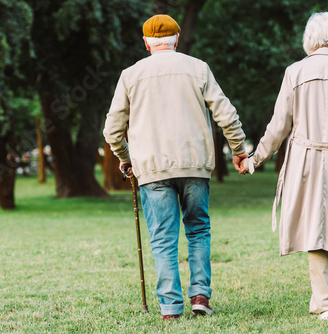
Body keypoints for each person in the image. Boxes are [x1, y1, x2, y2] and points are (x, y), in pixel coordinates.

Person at [103, 14, 247, 320]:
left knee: (162, 237)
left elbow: (112, 131)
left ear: (146, 43)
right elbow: (227, 114)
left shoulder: (130, 75)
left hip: (152, 169)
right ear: (177, 40)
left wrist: (126, 157)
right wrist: (238, 149)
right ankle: (200, 297)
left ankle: (170, 307)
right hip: (194, 165)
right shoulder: (198, 68)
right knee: (198, 230)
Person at [239, 12, 328, 320]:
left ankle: (324, 304)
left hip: (306, 160)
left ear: (310, 37)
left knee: (315, 228)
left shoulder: (295, 72)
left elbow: (279, 126)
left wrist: (254, 159)